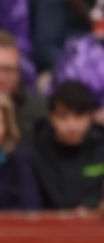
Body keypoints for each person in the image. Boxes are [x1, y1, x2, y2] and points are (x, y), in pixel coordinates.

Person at [30, 79, 104, 208]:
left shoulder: (101, 148)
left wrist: (93, 205)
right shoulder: (34, 152)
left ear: (91, 117)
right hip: (48, 225)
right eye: (63, 117)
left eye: (79, 116)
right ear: (51, 118)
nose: (72, 126)